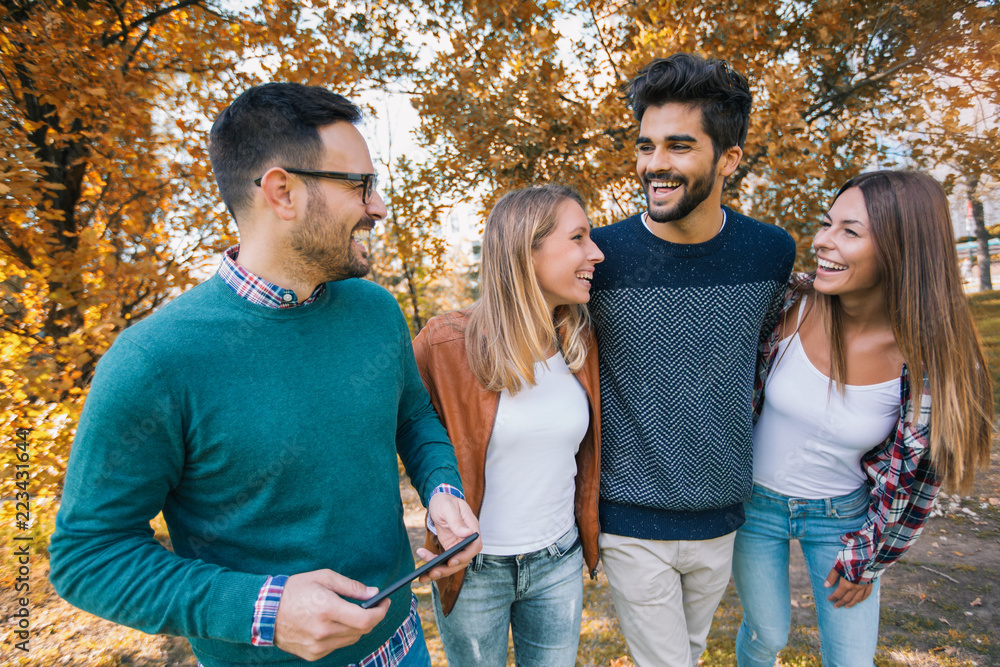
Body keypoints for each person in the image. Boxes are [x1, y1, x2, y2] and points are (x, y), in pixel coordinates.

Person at [48, 82, 481, 667]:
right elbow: (89, 556)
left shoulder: (375, 310)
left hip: (403, 648)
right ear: (282, 192)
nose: (377, 206)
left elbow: (414, 416)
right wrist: (263, 609)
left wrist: (443, 491)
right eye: (361, 186)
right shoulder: (154, 361)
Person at [731, 170, 993, 666]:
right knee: (767, 637)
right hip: (754, 507)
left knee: (850, 660)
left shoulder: (930, 362)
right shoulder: (788, 304)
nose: (822, 242)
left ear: (902, 250)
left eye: (849, 232)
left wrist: (870, 556)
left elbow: (917, 481)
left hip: (842, 519)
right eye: (827, 223)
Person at [587, 53, 797, 667]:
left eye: (679, 146)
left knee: (692, 650)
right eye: (646, 145)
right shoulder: (601, 256)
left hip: (724, 514)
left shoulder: (769, 252)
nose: (655, 164)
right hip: (629, 514)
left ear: (728, 159)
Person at [412, 185, 604, 666]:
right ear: (526, 251)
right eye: (577, 238)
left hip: (558, 561)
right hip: (474, 570)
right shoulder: (445, 343)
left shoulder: (579, 339)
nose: (596, 253)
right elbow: (407, 431)